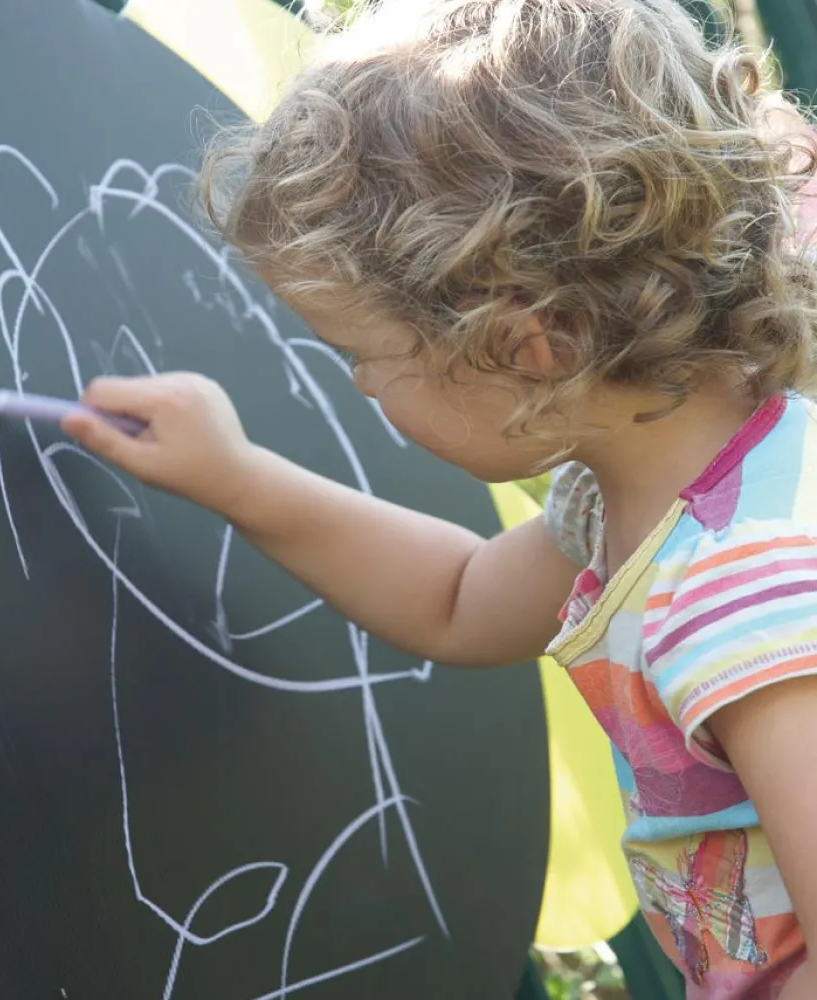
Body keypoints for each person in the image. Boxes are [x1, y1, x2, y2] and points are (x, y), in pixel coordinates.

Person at [61, 1, 817, 995]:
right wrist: (234, 477)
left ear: (527, 345)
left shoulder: (747, 602)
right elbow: (461, 598)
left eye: (366, 359)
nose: (360, 390)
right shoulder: (636, 498)